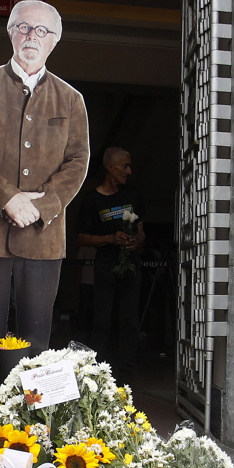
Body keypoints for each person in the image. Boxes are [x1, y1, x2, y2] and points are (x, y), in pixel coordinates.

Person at [0, 0, 89, 374]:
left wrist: (42, 206)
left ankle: (29, 427)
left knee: (37, 341)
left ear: (55, 41)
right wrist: (7, 198)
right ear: (11, 32)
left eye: (42, 31)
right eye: (25, 27)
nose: (32, 36)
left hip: (44, 237)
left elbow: (78, 163)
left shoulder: (71, 99)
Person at [76, 147, 147, 383]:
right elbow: (81, 237)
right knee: (102, 321)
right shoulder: (92, 200)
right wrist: (110, 238)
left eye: (130, 166)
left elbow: (141, 231)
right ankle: (97, 375)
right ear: (110, 167)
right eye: (124, 166)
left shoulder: (133, 195)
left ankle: (126, 376)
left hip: (131, 265)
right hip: (106, 264)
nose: (129, 171)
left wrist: (136, 242)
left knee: (129, 321)